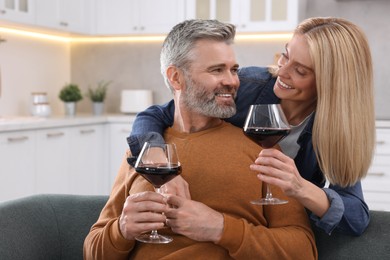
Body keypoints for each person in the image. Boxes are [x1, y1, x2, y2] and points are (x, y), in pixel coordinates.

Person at [84, 19, 317, 259]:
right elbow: (93, 252)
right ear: (176, 78)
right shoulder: (145, 152)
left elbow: (304, 251)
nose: (232, 81)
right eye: (217, 70)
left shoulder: (261, 150)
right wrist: (121, 230)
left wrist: (221, 228)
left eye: (234, 69)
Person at [127, 17, 375, 236]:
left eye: (299, 70)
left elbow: (356, 218)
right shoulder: (247, 86)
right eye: (285, 56)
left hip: (275, 227)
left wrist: (300, 188)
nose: (282, 72)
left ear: (330, 83)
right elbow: (155, 114)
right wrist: (157, 158)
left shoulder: (337, 127)